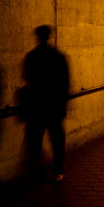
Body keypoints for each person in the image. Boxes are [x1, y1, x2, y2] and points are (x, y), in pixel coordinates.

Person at [22, 25, 70, 182]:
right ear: (49, 36)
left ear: (37, 37)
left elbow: (27, 78)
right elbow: (65, 82)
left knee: (35, 139)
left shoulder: (31, 57)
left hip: (37, 105)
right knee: (57, 140)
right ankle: (57, 171)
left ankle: (35, 170)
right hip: (54, 105)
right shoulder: (58, 57)